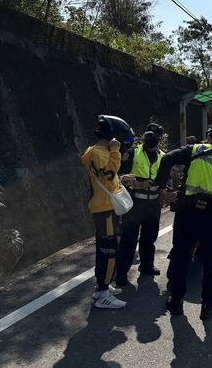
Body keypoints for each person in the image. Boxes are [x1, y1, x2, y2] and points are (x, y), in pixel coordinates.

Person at [156, 123, 212, 319]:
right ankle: (208, 307)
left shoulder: (193, 150)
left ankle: (176, 302)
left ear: (208, 136)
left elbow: (167, 158)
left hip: (186, 214)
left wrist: (162, 188)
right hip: (211, 218)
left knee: (181, 258)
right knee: (210, 262)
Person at [80, 115, 134, 309]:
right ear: (113, 136)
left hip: (103, 206)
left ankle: (101, 288)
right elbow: (109, 177)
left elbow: (106, 176)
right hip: (104, 207)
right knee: (109, 251)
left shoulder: (94, 151)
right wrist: (116, 151)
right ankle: (103, 292)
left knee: (105, 249)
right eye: (120, 138)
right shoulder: (101, 153)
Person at [116, 123, 165, 287]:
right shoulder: (132, 153)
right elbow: (120, 176)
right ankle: (122, 273)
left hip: (153, 204)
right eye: (148, 135)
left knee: (149, 238)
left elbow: (164, 180)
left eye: (154, 136)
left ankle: (147, 266)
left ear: (159, 139)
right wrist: (137, 183)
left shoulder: (163, 157)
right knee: (128, 239)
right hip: (135, 204)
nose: (150, 138)